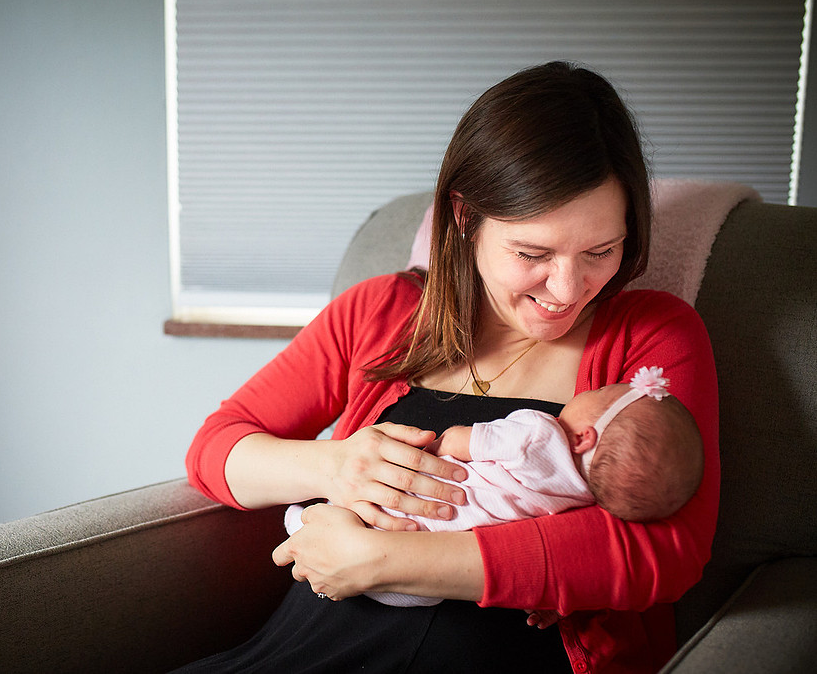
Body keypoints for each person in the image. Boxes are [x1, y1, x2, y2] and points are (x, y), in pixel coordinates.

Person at [179, 61, 718, 673]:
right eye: (532, 253)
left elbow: (664, 551)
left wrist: (385, 562)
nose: (568, 289)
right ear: (464, 217)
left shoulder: (651, 338)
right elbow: (213, 451)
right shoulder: (379, 311)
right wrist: (338, 465)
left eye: (601, 251)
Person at [283, 366, 704, 608]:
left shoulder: (539, 433)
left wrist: (442, 442)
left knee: (338, 513)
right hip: (432, 581)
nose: (588, 388)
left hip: (414, 512)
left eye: (597, 391)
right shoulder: (579, 500)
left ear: (583, 439)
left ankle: (303, 521)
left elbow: (461, 440)